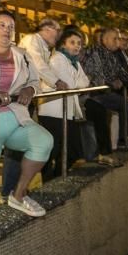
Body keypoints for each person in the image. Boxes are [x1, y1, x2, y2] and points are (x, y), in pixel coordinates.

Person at [0, 10, 53, 217]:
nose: (7, 30)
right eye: (2, 25)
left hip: (17, 118)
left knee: (44, 141)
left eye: (11, 26)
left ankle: (19, 195)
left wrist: (30, 90)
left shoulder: (23, 55)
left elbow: (34, 81)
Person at [2, 17, 63, 201]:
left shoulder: (44, 46)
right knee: (15, 148)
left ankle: (14, 189)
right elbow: (38, 65)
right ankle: (8, 191)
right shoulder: (32, 40)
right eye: (57, 30)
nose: (58, 35)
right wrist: (57, 82)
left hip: (25, 99)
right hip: (18, 100)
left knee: (23, 145)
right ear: (47, 28)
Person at [36, 27, 104, 176]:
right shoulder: (57, 59)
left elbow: (85, 82)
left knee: (72, 150)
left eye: (79, 43)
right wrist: (76, 82)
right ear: (63, 45)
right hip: (53, 112)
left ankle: (56, 177)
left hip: (67, 112)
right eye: (72, 42)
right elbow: (71, 85)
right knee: (53, 150)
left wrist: (77, 82)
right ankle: (49, 180)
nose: (77, 46)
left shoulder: (74, 62)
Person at [82, 28, 128, 154]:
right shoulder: (94, 52)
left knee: (125, 103)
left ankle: (127, 137)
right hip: (95, 95)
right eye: (115, 38)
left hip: (106, 92)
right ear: (105, 39)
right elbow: (96, 74)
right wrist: (110, 82)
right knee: (126, 103)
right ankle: (127, 138)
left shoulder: (110, 54)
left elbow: (120, 71)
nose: (118, 41)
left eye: (119, 38)